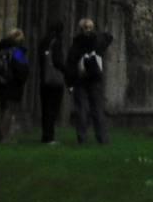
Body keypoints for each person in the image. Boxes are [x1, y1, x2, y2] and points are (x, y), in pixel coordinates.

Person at [67, 17, 113, 145]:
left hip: (81, 79)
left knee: (82, 109)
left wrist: (70, 82)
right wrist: (97, 33)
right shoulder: (97, 41)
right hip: (94, 78)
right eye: (88, 27)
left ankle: (82, 137)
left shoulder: (77, 42)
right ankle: (102, 139)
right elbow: (109, 37)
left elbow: (71, 63)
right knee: (97, 109)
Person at [0, 28, 30, 143]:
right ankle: (4, 137)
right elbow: (22, 69)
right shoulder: (17, 52)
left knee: (3, 108)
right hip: (13, 83)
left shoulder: (1, 50)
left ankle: (0, 135)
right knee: (9, 109)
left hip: (1, 82)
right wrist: (22, 78)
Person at [37, 22, 66, 144]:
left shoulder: (44, 41)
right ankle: (49, 137)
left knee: (45, 108)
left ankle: (46, 136)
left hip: (44, 79)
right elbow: (57, 61)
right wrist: (67, 70)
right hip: (54, 81)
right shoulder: (56, 42)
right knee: (52, 109)